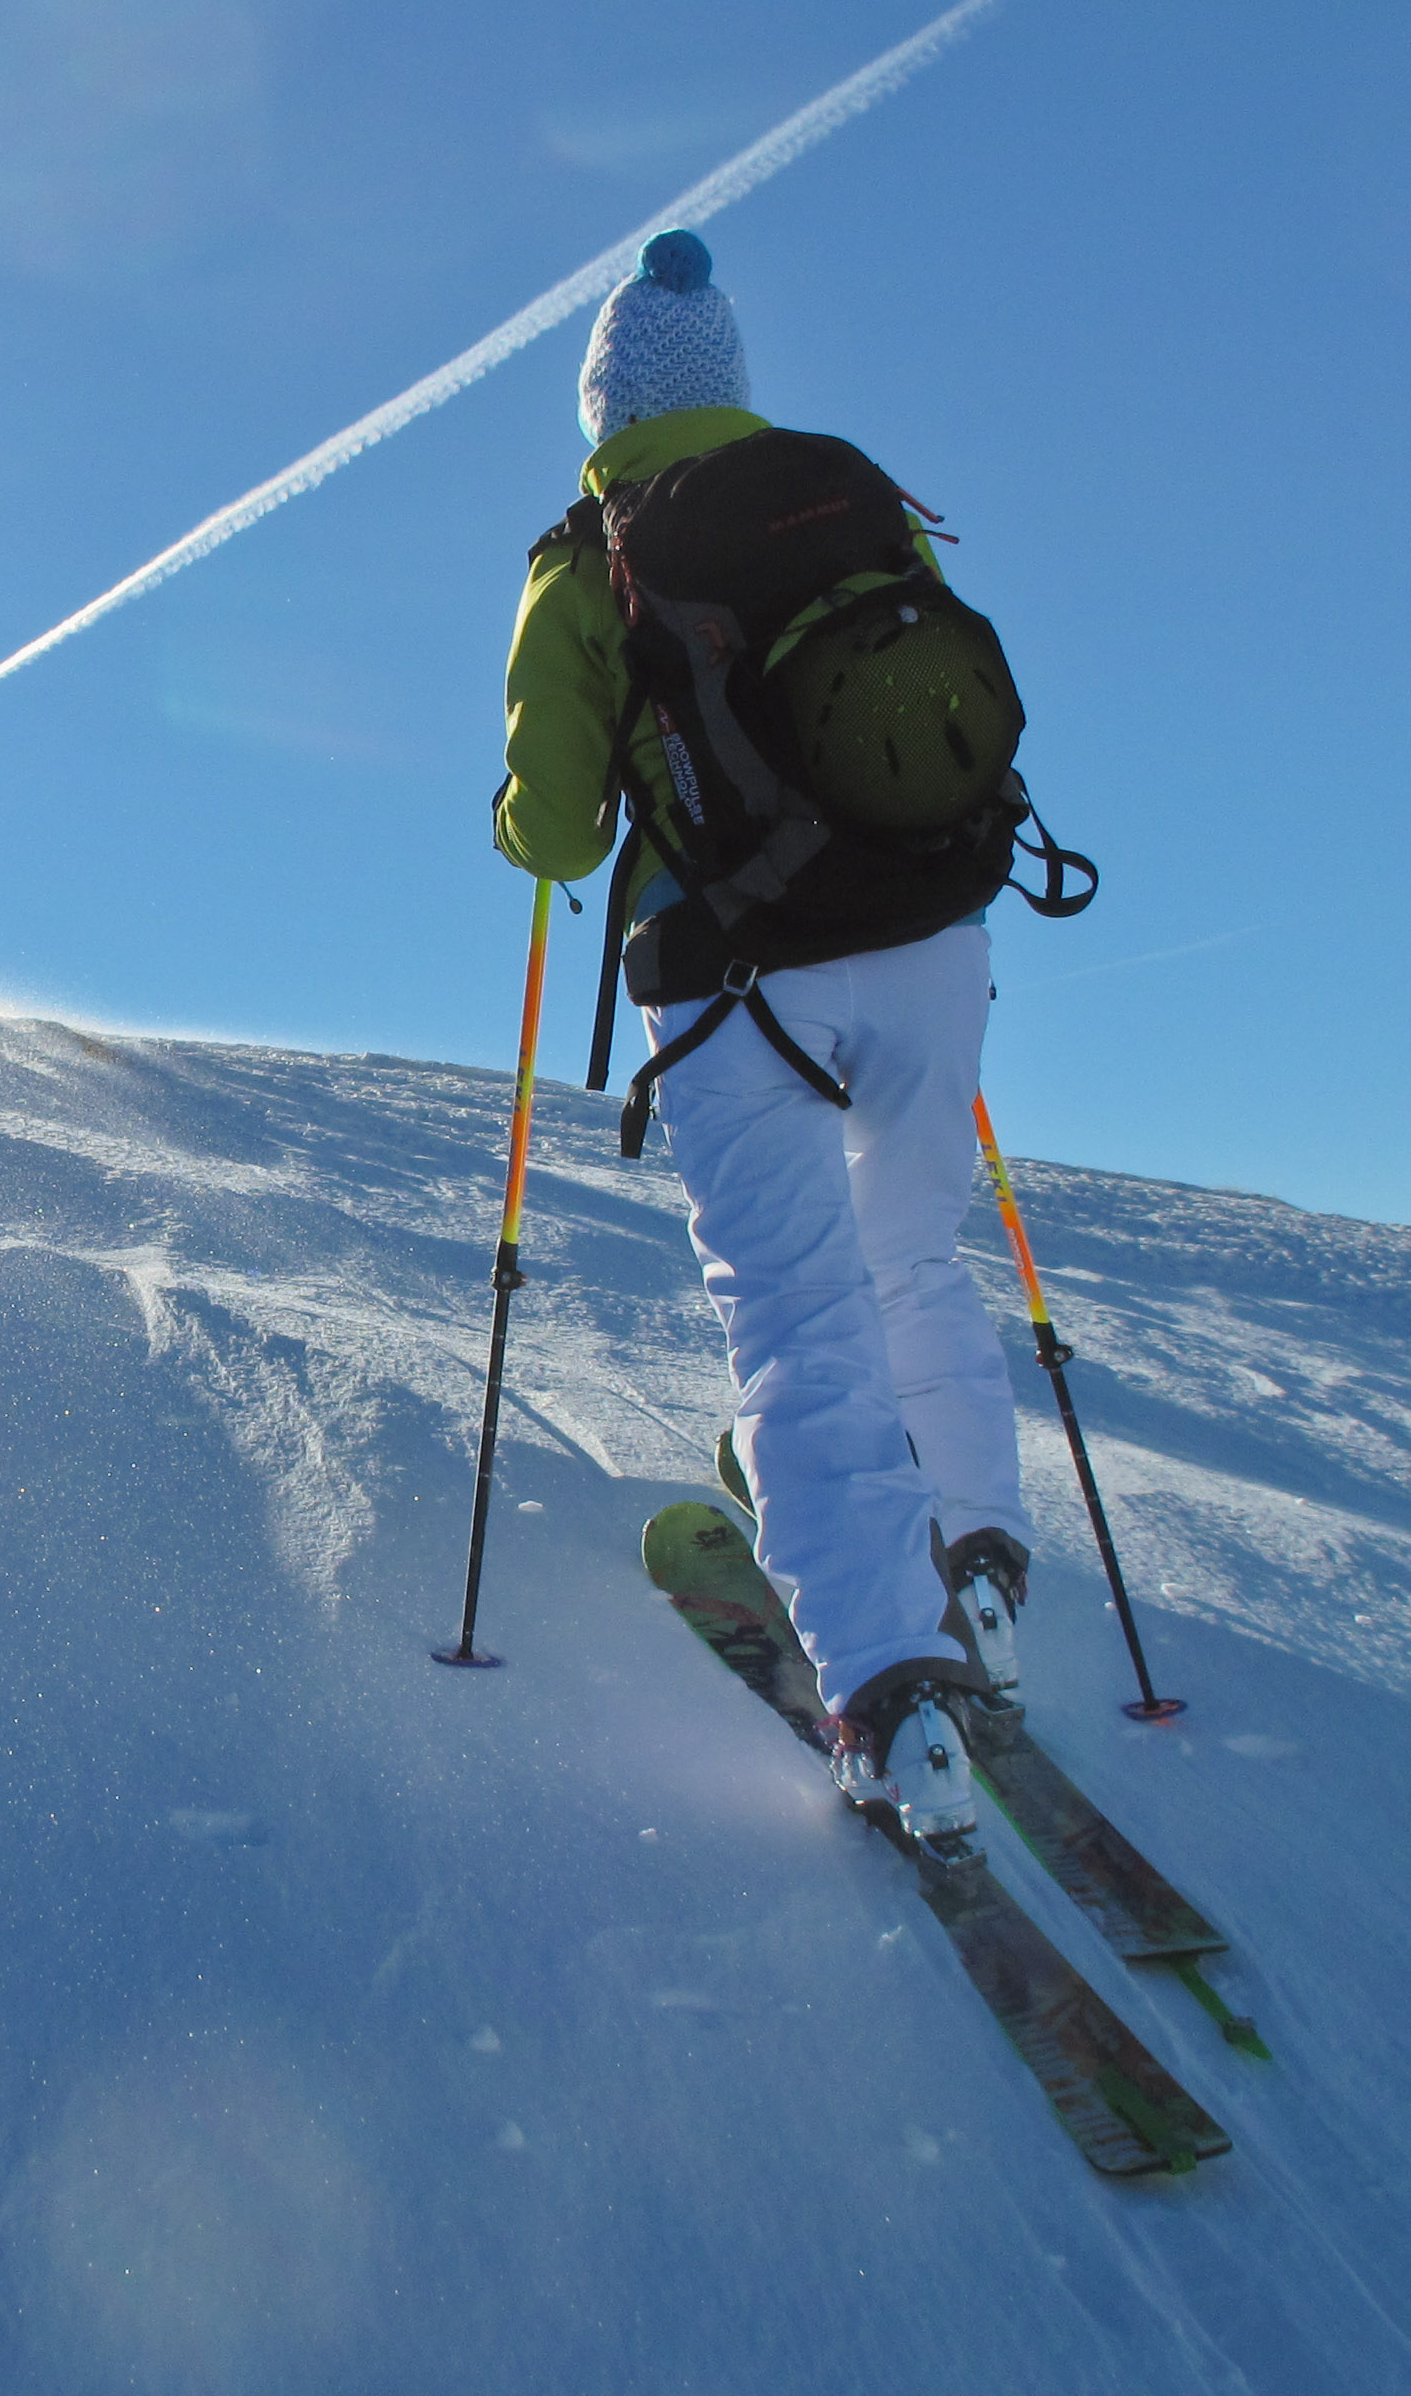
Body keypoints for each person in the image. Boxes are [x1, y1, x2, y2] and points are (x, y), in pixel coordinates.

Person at [494, 231, 1040, 1842]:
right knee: (912, 1256)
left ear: (601, 408)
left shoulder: (588, 550)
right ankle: (981, 1562)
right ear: (729, 386)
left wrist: (532, 797)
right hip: (933, 939)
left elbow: (553, 832)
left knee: (796, 1313)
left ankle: (884, 1693)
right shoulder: (847, 496)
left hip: (739, 973)